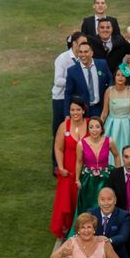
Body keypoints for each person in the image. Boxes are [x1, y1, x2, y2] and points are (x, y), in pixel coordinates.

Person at [51, 96, 88, 238]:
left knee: (82, 197)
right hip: (68, 169)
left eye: (78, 109)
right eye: (72, 110)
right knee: (67, 199)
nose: (75, 113)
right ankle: (67, 226)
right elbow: (58, 148)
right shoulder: (64, 126)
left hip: (85, 169)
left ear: (83, 110)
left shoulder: (90, 124)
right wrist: (60, 167)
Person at [51, 31, 86, 170]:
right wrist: (72, 81)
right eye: (81, 43)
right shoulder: (63, 58)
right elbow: (57, 80)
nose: (84, 46)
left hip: (76, 100)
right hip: (60, 98)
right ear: (74, 44)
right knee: (59, 130)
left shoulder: (84, 58)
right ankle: (56, 164)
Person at [74, 117, 121, 218]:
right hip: (88, 181)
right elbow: (79, 162)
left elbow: (117, 155)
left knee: (105, 203)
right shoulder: (81, 144)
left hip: (105, 179)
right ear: (88, 129)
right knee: (88, 205)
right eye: (91, 127)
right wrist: (77, 179)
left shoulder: (109, 142)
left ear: (101, 129)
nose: (94, 130)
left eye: (97, 127)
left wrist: (118, 172)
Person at [101, 64, 130, 165]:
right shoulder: (109, 91)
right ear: (114, 76)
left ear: (126, 77)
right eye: (118, 75)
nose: (120, 77)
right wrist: (99, 126)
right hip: (112, 125)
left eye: (123, 75)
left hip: (128, 125)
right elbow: (105, 112)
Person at [64, 41, 113, 118]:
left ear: (92, 53)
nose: (83, 55)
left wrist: (108, 95)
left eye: (86, 52)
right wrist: (67, 114)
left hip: (100, 108)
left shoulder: (102, 64)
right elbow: (68, 93)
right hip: (82, 111)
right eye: (80, 52)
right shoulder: (72, 71)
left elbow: (110, 80)